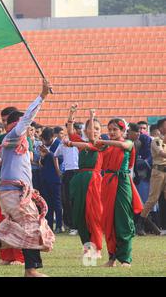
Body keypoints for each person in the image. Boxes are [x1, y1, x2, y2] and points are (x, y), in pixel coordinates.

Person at [0, 79, 55, 277]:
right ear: (19, 123)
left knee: (16, 232)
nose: (29, 127)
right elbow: (28, 118)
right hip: (14, 193)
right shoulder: (15, 135)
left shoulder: (15, 141)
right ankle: (31, 270)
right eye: (26, 124)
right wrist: (42, 96)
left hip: (14, 192)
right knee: (32, 227)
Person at [96, 118, 144, 267]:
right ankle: (112, 258)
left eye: (114, 130)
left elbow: (123, 145)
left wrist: (104, 142)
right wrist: (71, 143)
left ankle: (125, 259)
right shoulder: (106, 146)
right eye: (109, 129)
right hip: (107, 182)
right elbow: (90, 145)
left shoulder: (128, 143)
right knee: (108, 220)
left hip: (122, 182)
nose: (111, 132)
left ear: (123, 131)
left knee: (123, 219)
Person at [65, 104, 103, 258]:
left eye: (97, 128)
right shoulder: (82, 145)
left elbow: (91, 142)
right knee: (79, 214)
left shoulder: (101, 144)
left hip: (93, 181)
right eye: (90, 127)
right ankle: (88, 248)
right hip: (80, 180)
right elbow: (70, 132)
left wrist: (92, 116)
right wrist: (71, 114)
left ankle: (97, 249)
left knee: (93, 215)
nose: (93, 131)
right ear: (85, 130)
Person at [0, 108, 25, 266]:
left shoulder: (22, 137)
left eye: (7, 121)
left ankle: (19, 256)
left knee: (17, 222)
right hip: (0, 184)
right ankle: (5, 255)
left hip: (17, 186)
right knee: (2, 222)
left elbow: (27, 158)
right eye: (2, 121)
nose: (5, 124)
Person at [136, 118, 166, 236]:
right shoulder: (156, 141)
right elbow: (161, 153)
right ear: (160, 128)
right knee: (152, 199)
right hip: (158, 172)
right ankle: (140, 223)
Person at [54, 123, 80, 235]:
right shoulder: (63, 142)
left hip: (79, 171)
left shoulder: (80, 142)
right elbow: (55, 155)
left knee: (77, 200)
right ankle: (71, 225)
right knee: (67, 200)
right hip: (68, 172)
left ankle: (78, 225)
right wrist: (58, 171)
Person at [39, 127, 63, 233]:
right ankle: (49, 225)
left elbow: (61, 159)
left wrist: (48, 153)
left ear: (53, 137)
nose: (45, 142)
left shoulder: (58, 143)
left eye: (47, 140)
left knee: (57, 203)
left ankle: (59, 225)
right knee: (47, 203)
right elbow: (43, 163)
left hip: (55, 179)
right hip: (45, 178)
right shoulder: (45, 146)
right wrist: (43, 157)